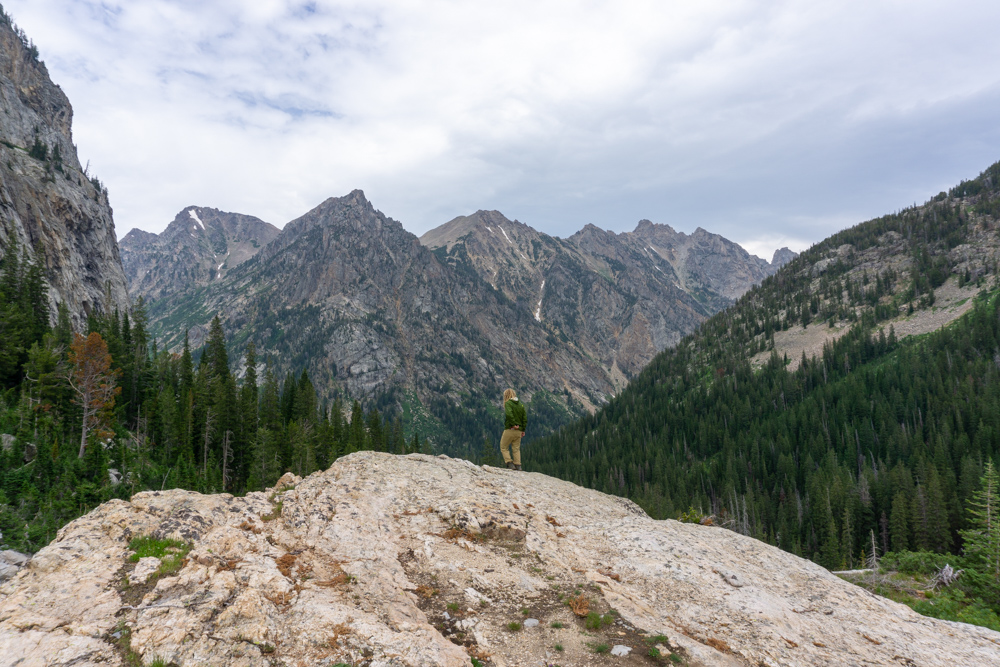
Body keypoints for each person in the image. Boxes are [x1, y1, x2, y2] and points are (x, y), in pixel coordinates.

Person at [500, 388, 527, 470]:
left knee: (503, 446)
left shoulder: (508, 403)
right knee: (516, 448)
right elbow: (524, 418)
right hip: (519, 431)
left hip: (510, 429)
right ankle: (518, 465)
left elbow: (509, 414)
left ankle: (509, 463)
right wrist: (523, 430)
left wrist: (514, 424)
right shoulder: (520, 404)